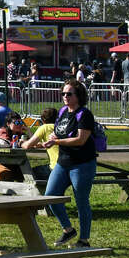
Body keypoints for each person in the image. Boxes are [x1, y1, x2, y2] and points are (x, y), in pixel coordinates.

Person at [42, 80, 98, 247]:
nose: (65, 97)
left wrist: (57, 142)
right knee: (50, 196)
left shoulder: (85, 114)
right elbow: (59, 132)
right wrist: (54, 137)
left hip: (82, 164)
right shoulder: (63, 112)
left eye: (69, 94)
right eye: (63, 94)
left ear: (78, 96)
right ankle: (68, 230)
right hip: (63, 163)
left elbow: (81, 140)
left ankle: (84, 239)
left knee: (81, 201)